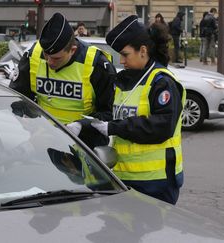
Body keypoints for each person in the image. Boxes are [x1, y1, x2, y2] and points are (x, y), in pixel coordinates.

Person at [68, 15, 186, 205]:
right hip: (124, 177)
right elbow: (111, 117)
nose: (121, 61)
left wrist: (115, 128)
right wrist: (84, 124)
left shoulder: (162, 82)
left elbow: (162, 126)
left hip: (156, 181)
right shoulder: (125, 80)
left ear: (143, 51)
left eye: (125, 54)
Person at [9, 12, 117, 149]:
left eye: (56, 58)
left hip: (84, 147)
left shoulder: (96, 64)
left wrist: (81, 125)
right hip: (43, 141)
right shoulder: (34, 56)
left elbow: (110, 113)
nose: (49, 62)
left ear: (72, 50)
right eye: (46, 55)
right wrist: (25, 117)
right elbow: (16, 96)